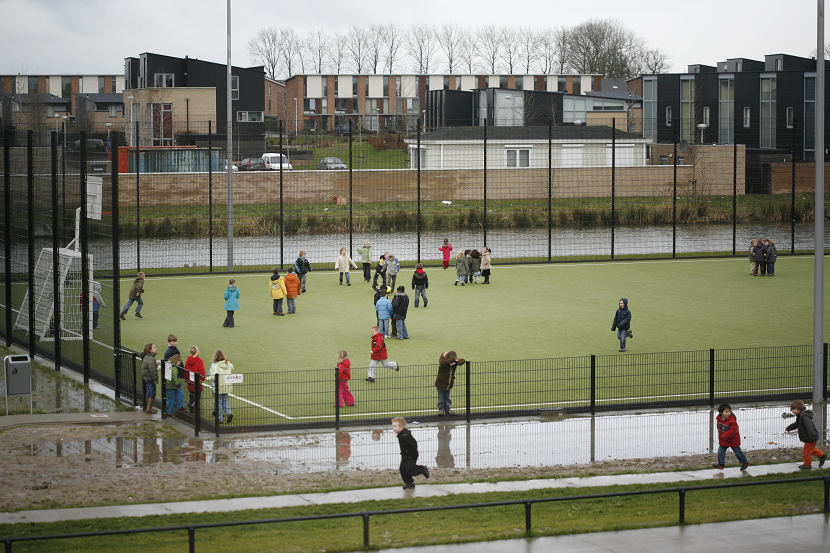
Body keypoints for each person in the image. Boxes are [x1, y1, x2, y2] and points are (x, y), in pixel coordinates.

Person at [786, 399, 827, 469]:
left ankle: (807, 464)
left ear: (799, 409)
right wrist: (790, 427)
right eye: (792, 410)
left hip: (810, 437)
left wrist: (812, 436)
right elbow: (797, 424)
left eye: (794, 409)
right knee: (811, 450)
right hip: (810, 437)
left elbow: (809, 427)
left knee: (806, 451)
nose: (792, 411)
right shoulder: (801, 417)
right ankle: (822, 455)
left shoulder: (804, 417)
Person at [392, 417, 429, 489]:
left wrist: (411, 455)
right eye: (393, 426)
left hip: (411, 455)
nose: (393, 428)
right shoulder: (401, 435)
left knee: (410, 469)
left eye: (395, 427)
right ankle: (410, 483)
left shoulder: (406, 436)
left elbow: (413, 445)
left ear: (401, 427)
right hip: (405, 455)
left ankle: (422, 469)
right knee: (403, 469)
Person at [711, 403, 749, 470]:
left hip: (733, 440)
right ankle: (721, 464)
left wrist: (725, 435)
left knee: (738, 452)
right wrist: (721, 437)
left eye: (729, 411)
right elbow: (719, 429)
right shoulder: (719, 419)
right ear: (721, 413)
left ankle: (745, 462)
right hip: (724, 440)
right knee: (720, 451)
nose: (728, 413)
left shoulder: (732, 420)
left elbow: (733, 430)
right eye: (726, 412)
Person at [436, 351, 466, 416]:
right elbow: (441, 362)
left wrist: (455, 362)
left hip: (449, 383)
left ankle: (447, 410)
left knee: (447, 397)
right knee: (441, 397)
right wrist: (451, 362)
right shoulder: (443, 359)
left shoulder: (454, 361)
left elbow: (463, 361)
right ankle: (441, 410)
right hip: (441, 382)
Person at [210, 349, 234, 423]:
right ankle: (229, 412)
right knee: (225, 400)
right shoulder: (227, 364)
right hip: (226, 386)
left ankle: (220, 419)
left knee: (218, 403)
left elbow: (212, 376)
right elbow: (232, 367)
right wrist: (227, 361)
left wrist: (207, 379)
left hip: (217, 387)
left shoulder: (214, 365)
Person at [185, 345, 205, 413]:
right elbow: (201, 371)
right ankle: (192, 405)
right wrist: (202, 378)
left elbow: (186, 370)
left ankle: (193, 410)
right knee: (197, 396)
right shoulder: (199, 361)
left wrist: (186, 379)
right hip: (197, 382)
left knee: (191, 394)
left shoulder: (188, 361)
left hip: (190, 381)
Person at [140, 342, 159, 414]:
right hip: (150, 379)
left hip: (146, 378)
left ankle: (148, 406)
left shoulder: (146, 357)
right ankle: (149, 407)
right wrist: (155, 380)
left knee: (148, 391)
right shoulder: (151, 359)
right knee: (152, 392)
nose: (156, 349)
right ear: (150, 350)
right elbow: (153, 371)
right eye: (154, 348)